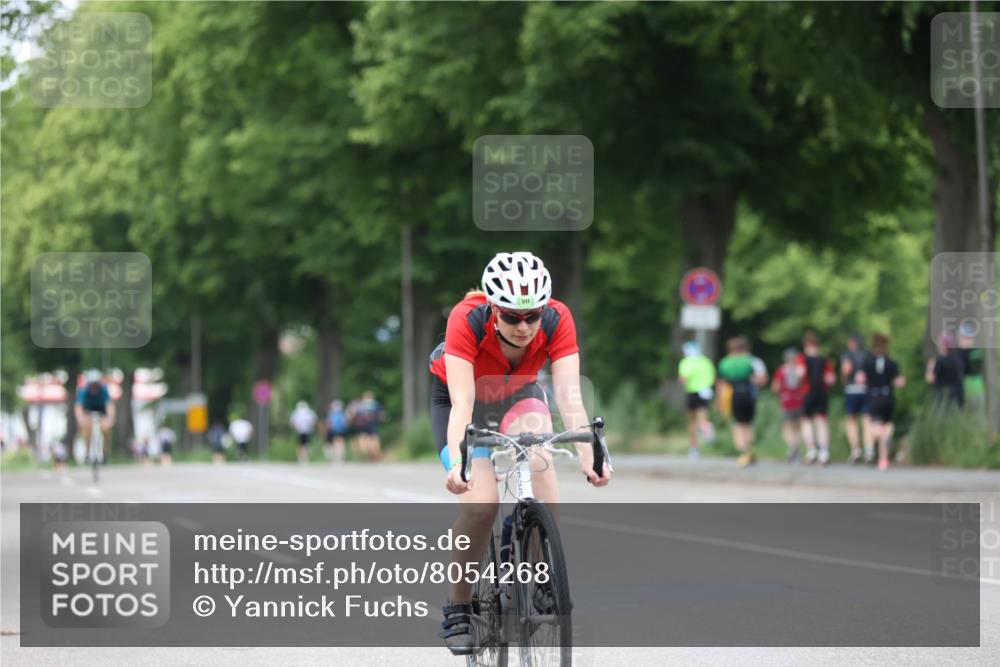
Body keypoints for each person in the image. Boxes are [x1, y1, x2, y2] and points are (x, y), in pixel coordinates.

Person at [428, 251, 611, 655]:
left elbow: (569, 399)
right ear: (493, 309)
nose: (525, 326)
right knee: (481, 505)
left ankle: (538, 563)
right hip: (465, 403)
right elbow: (461, 404)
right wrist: (459, 463)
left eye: (533, 316)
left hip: (518, 396)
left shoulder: (557, 319)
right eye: (512, 317)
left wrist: (588, 456)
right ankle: (459, 605)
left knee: (543, 459)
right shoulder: (467, 318)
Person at [716, 336, 768, 467]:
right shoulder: (751, 361)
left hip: (734, 395)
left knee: (738, 425)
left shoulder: (725, 362)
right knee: (748, 424)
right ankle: (750, 449)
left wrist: (720, 401)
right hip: (749, 395)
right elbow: (761, 380)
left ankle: (743, 452)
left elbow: (721, 384)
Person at [858, 333, 905, 471]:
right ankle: (883, 459)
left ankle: (871, 450)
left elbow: (860, 379)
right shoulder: (892, 362)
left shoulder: (867, 361)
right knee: (888, 425)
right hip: (888, 396)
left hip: (873, 396)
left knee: (872, 425)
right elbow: (900, 382)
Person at [800, 332, 836, 465]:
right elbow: (831, 379)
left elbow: (800, 373)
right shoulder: (825, 361)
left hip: (808, 393)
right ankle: (824, 452)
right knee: (822, 422)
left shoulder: (802, 359)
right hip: (822, 393)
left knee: (807, 421)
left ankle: (811, 450)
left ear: (806, 346)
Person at [678, 340, 716, 458]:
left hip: (692, 392)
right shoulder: (706, 361)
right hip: (705, 391)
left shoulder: (686, 362)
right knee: (703, 417)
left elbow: (683, 379)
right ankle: (707, 428)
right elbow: (713, 377)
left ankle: (694, 448)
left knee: (692, 422)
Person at [772, 347, 808, 463]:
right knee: (799, 426)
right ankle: (796, 447)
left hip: (787, 401)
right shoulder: (800, 369)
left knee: (788, 426)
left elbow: (776, 387)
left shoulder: (782, 370)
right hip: (800, 400)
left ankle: (791, 447)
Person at [841, 333, 872, 464]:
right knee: (867, 421)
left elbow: (846, 370)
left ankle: (856, 450)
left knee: (852, 421)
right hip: (866, 390)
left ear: (853, 342)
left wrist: (843, 379)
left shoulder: (848, 355)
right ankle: (869, 451)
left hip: (852, 389)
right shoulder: (869, 355)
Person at [73, 370, 115, 462]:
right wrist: (81, 419)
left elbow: (109, 406)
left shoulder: (104, 390)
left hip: (102, 412)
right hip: (88, 412)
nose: (94, 388)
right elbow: (78, 408)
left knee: (106, 429)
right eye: (92, 385)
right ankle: (87, 453)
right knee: (87, 428)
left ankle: (105, 453)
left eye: (96, 385)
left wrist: (110, 418)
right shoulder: (83, 391)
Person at [926, 334, 965, 408]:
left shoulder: (939, 361)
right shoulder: (957, 359)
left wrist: (930, 367)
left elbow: (931, 379)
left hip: (943, 396)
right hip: (957, 395)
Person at [957, 323, 986, 410]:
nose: (967, 340)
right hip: (971, 387)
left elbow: (968, 368)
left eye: (969, 338)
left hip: (973, 387)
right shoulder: (959, 352)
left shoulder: (974, 352)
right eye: (965, 337)